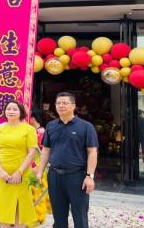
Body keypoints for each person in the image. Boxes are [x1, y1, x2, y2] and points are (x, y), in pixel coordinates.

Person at [36, 92, 98, 228]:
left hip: (77, 177)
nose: (61, 106)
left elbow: (92, 152)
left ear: (73, 106)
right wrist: (40, 172)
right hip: (54, 176)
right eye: (58, 103)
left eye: (65, 103)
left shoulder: (86, 127)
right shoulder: (51, 126)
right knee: (58, 217)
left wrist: (90, 176)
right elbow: (46, 150)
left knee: (80, 216)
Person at [0, 100, 38, 228]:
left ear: (21, 112)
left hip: (22, 172)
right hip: (2, 172)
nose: (11, 111)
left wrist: (19, 172)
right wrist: (0, 171)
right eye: (8, 109)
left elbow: (32, 152)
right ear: (4, 111)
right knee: (3, 204)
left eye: (15, 109)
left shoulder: (29, 129)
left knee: (20, 205)